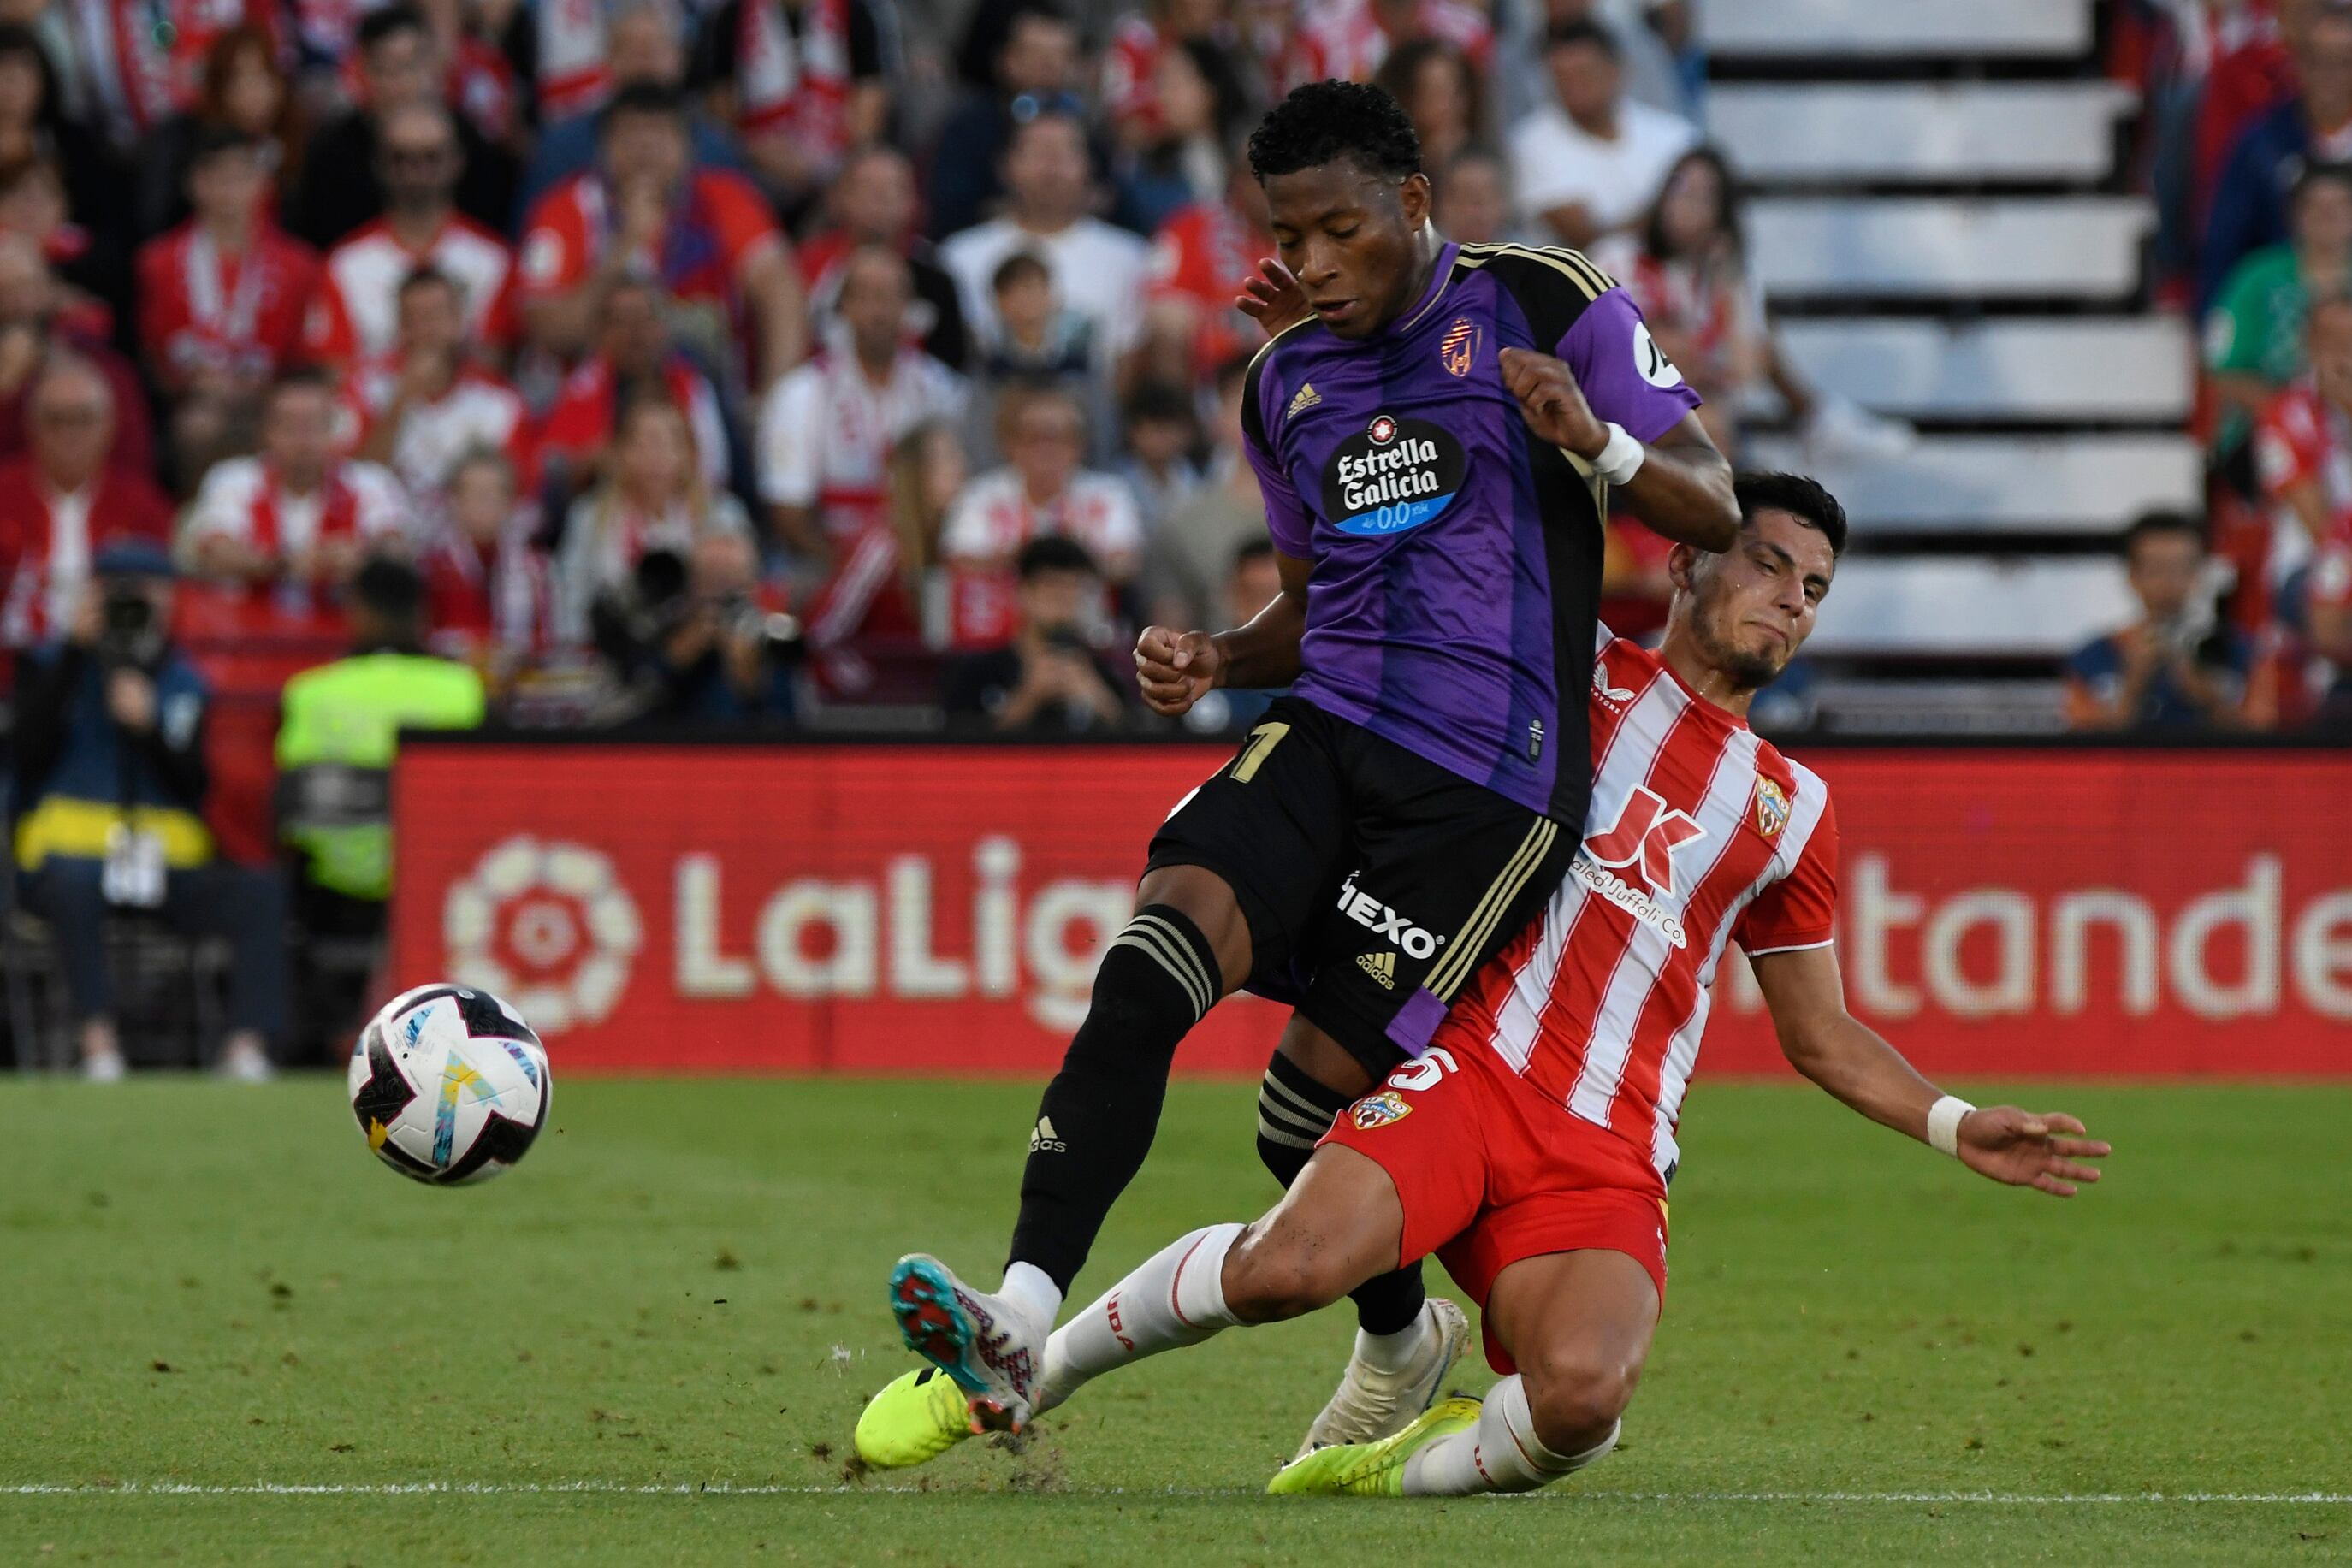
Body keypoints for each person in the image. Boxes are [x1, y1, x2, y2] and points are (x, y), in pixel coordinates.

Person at [858, 477, 2111, 1499]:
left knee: (1580, 1403)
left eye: (1815, 589)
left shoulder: (1793, 809)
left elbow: (1821, 1034)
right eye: (1770, 564)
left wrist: (1954, 1124)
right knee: (1285, 1260)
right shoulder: (1561, 670)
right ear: (1685, 562)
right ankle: (1035, 1364)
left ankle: (1387, 1472)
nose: (1791, 601)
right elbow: (1374, 631)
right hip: (1465, 1071)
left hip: (1611, 1146)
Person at [880, 80, 1738, 1442]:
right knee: (1157, 950)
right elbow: (1313, 601)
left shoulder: (1542, 299)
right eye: (1289, 236)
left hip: (1489, 786)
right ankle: (1019, 1312)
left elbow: (1716, 496)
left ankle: (1402, 1340)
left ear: (1412, 204)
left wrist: (1600, 439)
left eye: (1341, 230)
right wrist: (1222, 657)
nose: (1313, 266)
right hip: (1329, 721)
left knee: (1301, 1114)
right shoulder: (1286, 380)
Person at [13, 538, 290, 1083]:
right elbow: (25, 756)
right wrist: (75, 651)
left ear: (172, 598)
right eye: (117, 591)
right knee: (70, 883)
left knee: (259, 891)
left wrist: (152, 730)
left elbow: (194, 786)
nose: (133, 603)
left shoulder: (183, 677)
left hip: (163, 858)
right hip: (71, 856)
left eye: (149, 590)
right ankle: (97, 1044)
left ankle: (245, 1048)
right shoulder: (48, 664)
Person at [275, 555, 485, 1047]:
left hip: (340, 893)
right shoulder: (464, 690)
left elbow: (287, 814)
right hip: (442, 893)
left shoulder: (311, 692)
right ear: (421, 615)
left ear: (359, 611)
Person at [758, 245, 964, 682]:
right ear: (844, 306)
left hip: (918, 560)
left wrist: (901, 562)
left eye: (892, 296)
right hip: (825, 556)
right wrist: (856, 569)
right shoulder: (803, 393)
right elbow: (789, 515)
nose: (880, 310)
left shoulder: (940, 388)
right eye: (867, 296)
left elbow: (954, 497)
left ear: (910, 308)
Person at [518, 81, 805, 393]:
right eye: (631, 134)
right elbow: (551, 330)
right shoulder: (563, 209)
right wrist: (626, 245)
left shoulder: (725, 197)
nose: (646, 148)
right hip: (589, 401)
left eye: (660, 134)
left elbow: (780, 291)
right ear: (604, 148)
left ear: (688, 148)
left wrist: (777, 395)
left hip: (703, 395)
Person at [135, 127, 320, 476]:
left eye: (242, 175)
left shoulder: (300, 265)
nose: (229, 189)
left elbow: (306, 353)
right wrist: (190, 381)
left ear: (263, 184)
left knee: (286, 429)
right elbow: (151, 355)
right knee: (198, 427)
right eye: (217, 175)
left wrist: (265, 386)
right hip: (195, 402)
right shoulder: (157, 263)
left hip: (273, 400)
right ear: (194, 183)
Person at [284, 3, 518, 251]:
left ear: (434, 66)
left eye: (412, 65)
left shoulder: (470, 143)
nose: (404, 83)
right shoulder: (331, 154)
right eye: (388, 70)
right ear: (364, 73)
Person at [939, 108, 1150, 382]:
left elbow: (1129, 366)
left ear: (1089, 168)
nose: (1052, 165)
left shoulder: (1131, 257)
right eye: (1037, 151)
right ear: (1005, 167)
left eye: (1066, 152)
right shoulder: (958, 257)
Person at [305, 100, 518, 368]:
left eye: (431, 157)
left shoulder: (492, 260)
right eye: (401, 158)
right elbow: (333, 372)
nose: (416, 171)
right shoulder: (345, 264)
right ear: (379, 164)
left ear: (457, 161)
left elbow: (495, 366)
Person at [181, 369, 412, 601]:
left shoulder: (372, 482)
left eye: (314, 426)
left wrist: (364, 560)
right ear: (268, 432)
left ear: (332, 430)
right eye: (291, 427)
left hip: (343, 629)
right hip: (249, 629)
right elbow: (216, 553)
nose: (304, 441)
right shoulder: (232, 479)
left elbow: (398, 550)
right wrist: (285, 564)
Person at [940, 381, 1141, 647]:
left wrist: (1023, 563)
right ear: (1010, 444)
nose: (1046, 451)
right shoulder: (978, 497)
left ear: (1079, 446)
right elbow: (960, 560)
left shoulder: (1109, 494)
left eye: (1058, 438)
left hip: (1090, 639)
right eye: (1033, 438)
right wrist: (1067, 560)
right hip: (997, 641)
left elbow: (1125, 564)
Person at [0, 358, 173, 666]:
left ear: (109, 425)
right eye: (55, 419)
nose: (69, 433)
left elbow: (161, 606)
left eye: (83, 419)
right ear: (31, 425)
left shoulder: (143, 505)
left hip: (108, 670)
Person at [334, 266, 534, 512]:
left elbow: (517, 493)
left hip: (464, 536)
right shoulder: (364, 387)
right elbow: (354, 484)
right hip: (389, 535)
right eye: (416, 318)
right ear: (400, 327)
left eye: (438, 315)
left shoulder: (500, 402)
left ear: (459, 321)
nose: (428, 329)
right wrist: (402, 398)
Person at [554, 393, 753, 640]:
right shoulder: (589, 517)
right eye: (642, 443)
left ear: (689, 454)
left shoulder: (723, 515)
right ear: (619, 452)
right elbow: (570, 602)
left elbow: (743, 600)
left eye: (669, 443)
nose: (655, 457)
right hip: (612, 653)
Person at [2203, 3, 2352, 312]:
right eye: (2317, 62)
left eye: (2344, 63)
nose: (2330, 76)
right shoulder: (2259, 144)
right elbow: (2225, 242)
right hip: (2276, 319)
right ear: (2296, 64)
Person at [2064, 511, 2268, 731]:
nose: (2170, 583)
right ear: (2133, 575)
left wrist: (2210, 698)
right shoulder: (2092, 657)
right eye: (2156, 569)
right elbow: (2080, 749)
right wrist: (2133, 685)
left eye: (2183, 568)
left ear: (2199, 574)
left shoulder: (2240, 650)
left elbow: (2265, 742)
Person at [2205, 162, 2352, 465]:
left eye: (2341, 205)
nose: (2329, 216)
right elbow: (2221, 370)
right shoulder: (2257, 278)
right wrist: (2294, 416)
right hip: (2266, 433)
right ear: (2295, 215)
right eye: (2316, 206)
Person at [689, 0, 895, 216]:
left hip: (838, 172)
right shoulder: (733, 16)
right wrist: (755, 148)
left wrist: (838, 167)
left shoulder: (854, 11)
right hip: (757, 169)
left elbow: (870, 97)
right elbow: (721, 105)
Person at [537, 275, 732, 500]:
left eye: (645, 318)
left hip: (685, 505)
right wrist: (590, 462)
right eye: (623, 320)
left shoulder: (692, 385)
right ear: (602, 332)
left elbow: (715, 470)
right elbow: (550, 466)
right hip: (603, 508)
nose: (635, 332)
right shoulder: (583, 388)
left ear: (662, 328)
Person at [1510, 20, 1697, 251]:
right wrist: (1668, 211)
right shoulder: (1531, 141)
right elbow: (1586, 239)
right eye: (1561, 78)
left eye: (1584, 74)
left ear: (1617, 72)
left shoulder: (1676, 136)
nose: (1573, 88)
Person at [589, 527, 797, 721]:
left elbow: (788, 720)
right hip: (675, 750)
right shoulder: (661, 626)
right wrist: (675, 657)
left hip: (752, 753)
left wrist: (749, 674)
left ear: (752, 584)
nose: (722, 595)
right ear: (692, 584)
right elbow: (627, 703)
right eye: (712, 580)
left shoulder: (770, 635)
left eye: (731, 580)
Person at [797, 145, 970, 370]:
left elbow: (950, 370)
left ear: (915, 203)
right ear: (838, 198)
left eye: (895, 188)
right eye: (868, 188)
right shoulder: (804, 266)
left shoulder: (936, 275)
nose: (882, 199)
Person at [130, 24, 304, 246]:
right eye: (239, 79)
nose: (255, 91)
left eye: (264, 74)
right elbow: (156, 222)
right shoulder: (182, 141)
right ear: (217, 85)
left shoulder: (295, 138)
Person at [924, 1, 1082, 240]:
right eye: (1038, 54)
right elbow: (951, 209)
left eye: (1060, 55)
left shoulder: (1083, 124)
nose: (1050, 66)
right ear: (1007, 59)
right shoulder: (969, 128)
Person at [942, 534, 1127, 731]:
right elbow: (954, 746)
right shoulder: (977, 673)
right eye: (1052, 586)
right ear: (1023, 592)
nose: (1063, 599)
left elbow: (1140, 741)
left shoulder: (1101, 672)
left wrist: (1098, 698)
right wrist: (1028, 699)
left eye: (1073, 587)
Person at [418, 447, 556, 678]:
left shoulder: (534, 568)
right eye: (478, 494)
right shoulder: (431, 568)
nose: (488, 503)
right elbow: (423, 640)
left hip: (515, 684)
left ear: (511, 502)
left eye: (497, 494)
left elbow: (544, 643)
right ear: (455, 501)